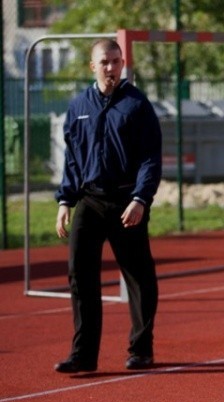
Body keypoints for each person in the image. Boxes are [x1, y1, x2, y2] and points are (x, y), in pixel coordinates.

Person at [54, 39, 162, 373]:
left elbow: (150, 159)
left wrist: (140, 199)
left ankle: (141, 349)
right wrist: (65, 201)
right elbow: (73, 159)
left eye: (116, 61)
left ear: (123, 63)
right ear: (93, 66)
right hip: (90, 199)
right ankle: (83, 354)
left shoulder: (137, 105)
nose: (111, 68)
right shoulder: (78, 106)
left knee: (138, 275)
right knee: (80, 274)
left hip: (127, 200)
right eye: (104, 62)